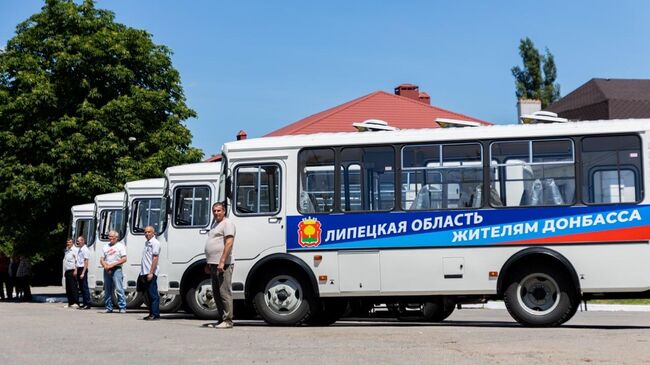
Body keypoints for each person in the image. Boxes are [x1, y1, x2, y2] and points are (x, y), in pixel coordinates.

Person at [204, 202, 235, 329]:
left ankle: (228, 320)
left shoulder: (227, 223)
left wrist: (222, 261)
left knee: (224, 292)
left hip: (223, 264)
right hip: (213, 264)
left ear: (224, 211)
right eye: (214, 211)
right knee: (216, 293)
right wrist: (208, 262)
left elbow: (229, 243)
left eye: (219, 210)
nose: (216, 213)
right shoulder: (215, 224)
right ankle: (221, 319)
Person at [100, 230, 127, 313]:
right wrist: (105, 266)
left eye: (112, 237)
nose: (110, 238)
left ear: (116, 238)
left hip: (117, 269)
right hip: (107, 269)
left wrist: (112, 265)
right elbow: (101, 259)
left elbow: (124, 259)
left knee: (119, 289)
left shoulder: (120, 246)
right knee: (107, 289)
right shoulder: (105, 247)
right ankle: (108, 307)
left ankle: (122, 307)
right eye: (109, 236)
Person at [140, 225, 161, 320]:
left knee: (153, 294)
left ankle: (155, 314)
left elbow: (155, 258)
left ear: (153, 233)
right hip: (144, 272)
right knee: (147, 294)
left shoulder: (155, 243)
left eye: (149, 232)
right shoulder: (146, 243)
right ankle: (151, 313)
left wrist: (151, 272)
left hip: (150, 272)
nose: (147, 234)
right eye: (145, 232)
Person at [75, 236, 91, 309]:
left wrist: (83, 273)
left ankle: (87, 303)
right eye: (77, 241)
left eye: (79, 241)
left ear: (83, 241)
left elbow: (86, 261)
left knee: (84, 287)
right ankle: (84, 303)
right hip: (79, 269)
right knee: (81, 288)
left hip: (83, 269)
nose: (77, 242)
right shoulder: (80, 249)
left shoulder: (85, 249)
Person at [63, 239, 80, 308]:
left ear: (72, 243)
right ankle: (70, 302)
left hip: (72, 270)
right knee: (68, 288)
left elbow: (77, 261)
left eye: (70, 242)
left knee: (73, 287)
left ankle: (76, 302)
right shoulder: (67, 251)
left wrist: (76, 270)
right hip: (67, 271)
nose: (68, 243)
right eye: (67, 242)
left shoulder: (75, 250)